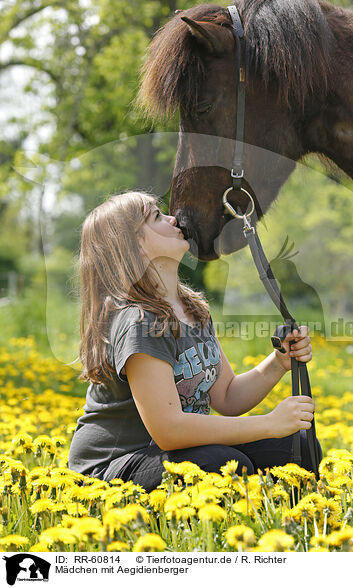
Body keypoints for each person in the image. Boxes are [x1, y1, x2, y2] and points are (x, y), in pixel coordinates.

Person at [68, 190, 319, 492]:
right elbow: (170, 430)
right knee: (220, 464)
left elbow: (226, 397)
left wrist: (278, 363)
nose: (174, 218)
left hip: (171, 452)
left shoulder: (193, 310)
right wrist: (268, 422)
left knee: (298, 447)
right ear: (131, 246)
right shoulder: (139, 322)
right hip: (113, 467)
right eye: (157, 217)